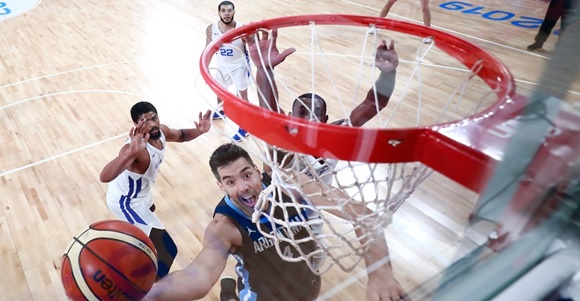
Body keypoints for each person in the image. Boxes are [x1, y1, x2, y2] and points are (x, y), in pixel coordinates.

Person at [142, 143, 408, 301]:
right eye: (231, 182)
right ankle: (230, 294)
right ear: (221, 186)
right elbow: (197, 277)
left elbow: (362, 214)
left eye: (247, 175)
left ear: (259, 172)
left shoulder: (293, 189)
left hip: (308, 288)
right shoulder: (225, 225)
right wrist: (145, 295)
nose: (244, 187)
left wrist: (381, 273)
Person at [246, 29, 399, 185]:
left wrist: (388, 74)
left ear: (325, 120)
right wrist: (264, 71)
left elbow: (373, 104)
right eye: (302, 112)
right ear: (291, 117)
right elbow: (270, 115)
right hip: (278, 202)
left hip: (319, 202)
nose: (309, 117)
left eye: (316, 113)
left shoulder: (336, 137)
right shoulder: (284, 146)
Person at [99, 101, 211, 279]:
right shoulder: (134, 150)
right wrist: (129, 153)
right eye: (146, 121)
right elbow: (104, 176)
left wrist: (200, 130)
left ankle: (137, 249)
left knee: (150, 215)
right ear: (137, 125)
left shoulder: (162, 132)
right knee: (166, 250)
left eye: (154, 118)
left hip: (142, 194)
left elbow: (181, 135)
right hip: (126, 202)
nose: (152, 124)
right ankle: (149, 292)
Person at [206, 0, 250, 141]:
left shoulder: (242, 28)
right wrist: (205, 68)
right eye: (223, 11)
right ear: (219, 13)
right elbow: (207, 49)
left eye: (229, 11)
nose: (226, 14)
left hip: (239, 64)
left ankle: (245, 127)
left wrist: (248, 39)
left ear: (234, 12)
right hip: (222, 63)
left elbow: (251, 45)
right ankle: (221, 110)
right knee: (219, 89)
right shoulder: (211, 29)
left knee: (242, 96)